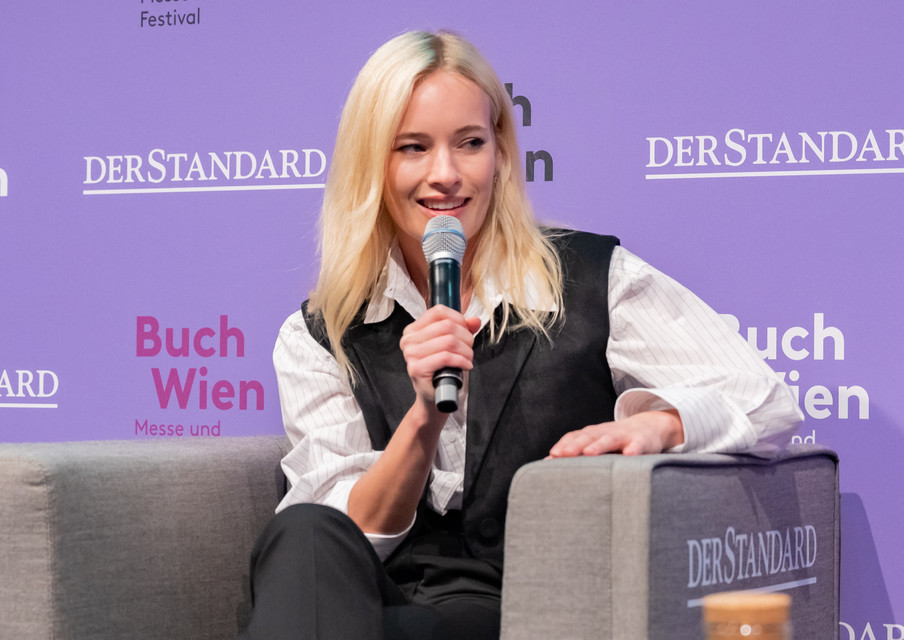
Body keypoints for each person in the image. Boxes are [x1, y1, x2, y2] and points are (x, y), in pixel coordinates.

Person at [240, 29, 803, 640]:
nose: (445, 175)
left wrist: (659, 425)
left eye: (470, 143)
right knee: (305, 530)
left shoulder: (591, 280)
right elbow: (348, 538)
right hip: (367, 605)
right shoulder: (322, 333)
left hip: (520, 609)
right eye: (413, 147)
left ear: (502, 153)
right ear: (371, 164)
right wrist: (423, 418)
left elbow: (765, 398)